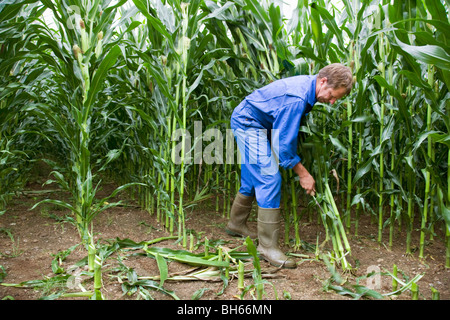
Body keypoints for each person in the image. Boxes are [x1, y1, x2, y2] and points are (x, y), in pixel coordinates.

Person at [225, 63, 353, 269]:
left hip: (259, 122)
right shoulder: (298, 98)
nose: (331, 101)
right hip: (248, 123)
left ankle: (236, 225)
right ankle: (267, 247)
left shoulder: (308, 87)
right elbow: (283, 147)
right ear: (323, 81)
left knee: (252, 176)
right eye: (332, 95)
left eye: (336, 99)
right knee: (269, 178)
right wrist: (304, 174)